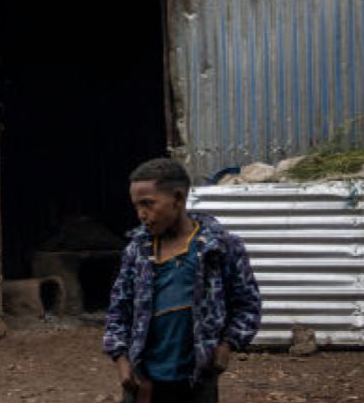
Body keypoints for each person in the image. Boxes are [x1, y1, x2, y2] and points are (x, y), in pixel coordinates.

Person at [104, 158, 262, 403]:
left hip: (198, 378)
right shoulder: (137, 251)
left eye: (148, 204)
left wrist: (227, 345)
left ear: (177, 199)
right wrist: (120, 359)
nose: (141, 214)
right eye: (136, 206)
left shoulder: (220, 247)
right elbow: (118, 309)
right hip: (144, 381)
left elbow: (247, 303)